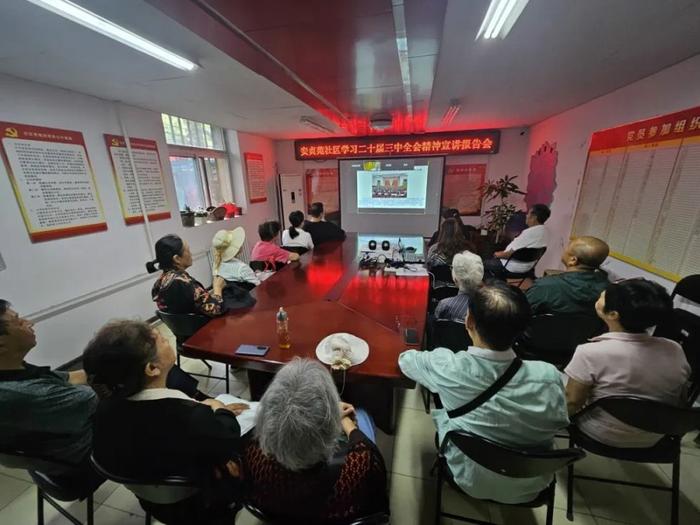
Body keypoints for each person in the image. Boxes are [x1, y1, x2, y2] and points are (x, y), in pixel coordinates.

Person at [399, 281, 569, 504]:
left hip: (469, 478)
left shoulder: (447, 366)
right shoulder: (549, 376)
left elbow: (406, 361)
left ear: (468, 322)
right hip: (532, 484)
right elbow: (558, 421)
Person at [83, 320, 248, 523]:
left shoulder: (104, 409)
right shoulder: (191, 416)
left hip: (153, 503)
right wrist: (218, 407)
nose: (168, 340)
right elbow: (229, 435)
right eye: (162, 340)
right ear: (152, 368)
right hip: (200, 505)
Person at [244, 358, 388, 524]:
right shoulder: (363, 461)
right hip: (334, 512)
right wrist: (347, 423)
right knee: (362, 414)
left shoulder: (252, 454)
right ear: (332, 432)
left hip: (282, 511)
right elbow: (379, 506)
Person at [565, 278, 691, 448]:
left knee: (554, 380)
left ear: (613, 314)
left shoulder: (589, 352)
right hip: (655, 436)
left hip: (600, 433)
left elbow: (572, 403)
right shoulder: (674, 349)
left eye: (602, 297)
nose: (599, 298)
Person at [0, 300, 98, 470]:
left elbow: (69, 378)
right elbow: (100, 400)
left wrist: (109, 367)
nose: (30, 322)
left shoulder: (13, 371)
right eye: (18, 322)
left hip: (50, 452)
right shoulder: (28, 394)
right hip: (79, 458)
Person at [526, 236, 610, 315]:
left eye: (567, 247)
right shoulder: (608, 289)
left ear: (573, 260)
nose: (564, 249)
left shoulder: (543, 286)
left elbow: (521, 314)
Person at [148, 234, 225, 316]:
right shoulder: (184, 283)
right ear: (177, 259)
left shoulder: (159, 283)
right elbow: (216, 310)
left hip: (182, 328)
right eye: (188, 251)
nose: (191, 254)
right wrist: (217, 289)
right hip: (202, 326)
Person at [484, 204, 550, 279]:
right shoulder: (545, 231)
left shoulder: (528, 233)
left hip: (511, 267)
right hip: (528, 268)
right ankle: (501, 282)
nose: (526, 216)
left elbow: (508, 254)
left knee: (483, 264)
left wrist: (496, 254)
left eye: (528, 213)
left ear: (534, 217)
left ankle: (497, 285)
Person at [434, 251, 484, 322]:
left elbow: (437, 328)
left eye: (452, 268)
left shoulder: (444, 305)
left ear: (455, 279)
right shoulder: (490, 309)